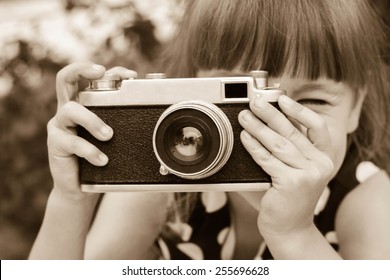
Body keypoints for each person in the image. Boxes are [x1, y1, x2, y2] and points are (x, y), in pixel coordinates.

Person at [29, 0, 390, 260]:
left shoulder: (364, 197)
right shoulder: (157, 182)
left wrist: (294, 233)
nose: (277, 125)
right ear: (188, 92)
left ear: (355, 107)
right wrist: (70, 199)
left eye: (314, 102)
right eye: (241, 96)